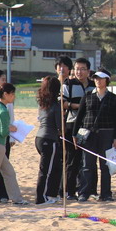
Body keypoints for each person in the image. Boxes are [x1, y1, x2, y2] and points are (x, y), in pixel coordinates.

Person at [73, 70, 116, 202]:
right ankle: (84, 192)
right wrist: (74, 134)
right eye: (95, 78)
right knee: (87, 164)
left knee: (105, 165)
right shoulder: (88, 96)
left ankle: (106, 194)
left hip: (107, 133)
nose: (98, 81)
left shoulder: (113, 98)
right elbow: (80, 116)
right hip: (88, 133)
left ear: (107, 80)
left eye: (100, 78)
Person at [62, 57, 91, 199]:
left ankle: (87, 190)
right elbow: (62, 103)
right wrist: (79, 106)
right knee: (72, 160)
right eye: (77, 69)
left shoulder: (93, 85)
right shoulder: (68, 84)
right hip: (71, 125)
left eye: (82, 69)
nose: (79, 72)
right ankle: (70, 191)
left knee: (86, 160)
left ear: (88, 71)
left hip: (89, 125)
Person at [35, 76, 63, 205]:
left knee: (56, 167)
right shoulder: (56, 106)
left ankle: (52, 193)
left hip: (40, 138)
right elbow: (59, 126)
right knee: (46, 170)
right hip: (49, 139)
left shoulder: (42, 104)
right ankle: (41, 197)